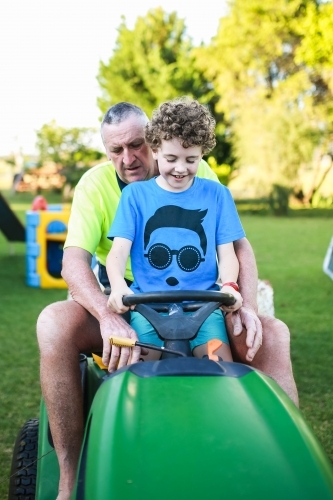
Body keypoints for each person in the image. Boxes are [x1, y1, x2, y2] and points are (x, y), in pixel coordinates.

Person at [36, 101, 298, 500]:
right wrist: (108, 315)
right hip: (122, 296)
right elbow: (74, 262)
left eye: (137, 145)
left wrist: (245, 305)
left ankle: (285, 469)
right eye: (116, 150)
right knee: (53, 324)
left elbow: (238, 247)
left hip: (205, 295)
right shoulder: (98, 185)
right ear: (107, 152)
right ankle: (71, 478)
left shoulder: (195, 172)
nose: (129, 158)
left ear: (154, 141)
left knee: (273, 334)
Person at [106, 97, 244, 362]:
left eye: (191, 159)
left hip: (204, 309)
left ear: (202, 153)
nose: (181, 169)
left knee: (219, 369)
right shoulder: (135, 196)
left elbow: (227, 253)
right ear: (155, 149)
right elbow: (118, 251)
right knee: (139, 373)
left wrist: (229, 286)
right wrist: (117, 287)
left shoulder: (217, 195)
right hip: (147, 308)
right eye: (171, 158)